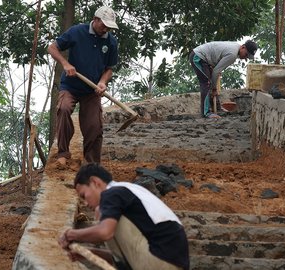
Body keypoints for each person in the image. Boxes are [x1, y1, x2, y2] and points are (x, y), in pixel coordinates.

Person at [58, 163, 190, 270]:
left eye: (84, 196)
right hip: (169, 261)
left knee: (101, 212)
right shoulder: (126, 190)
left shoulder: (111, 194)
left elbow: (105, 233)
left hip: (160, 259)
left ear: (95, 182)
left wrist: (71, 234)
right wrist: (89, 253)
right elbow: (124, 257)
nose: (85, 204)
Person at [47, 6, 119, 165]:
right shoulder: (77, 32)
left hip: (92, 90)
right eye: (103, 24)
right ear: (95, 19)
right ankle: (63, 154)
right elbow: (52, 48)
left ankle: (91, 163)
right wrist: (65, 64)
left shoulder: (111, 42)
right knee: (64, 109)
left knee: (94, 125)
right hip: (71, 86)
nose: (106, 28)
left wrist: (102, 82)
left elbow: (109, 69)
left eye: (109, 26)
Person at [189, 40, 257, 118]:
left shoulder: (235, 47)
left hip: (205, 60)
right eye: (246, 54)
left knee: (210, 81)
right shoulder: (232, 54)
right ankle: (206, 113)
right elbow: (216, 72)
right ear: (243, 47)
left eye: (247, 57)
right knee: (206, 82)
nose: (245, 57)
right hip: (198, 57)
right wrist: (214, 88)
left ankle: (217, 108)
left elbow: (216, 68)